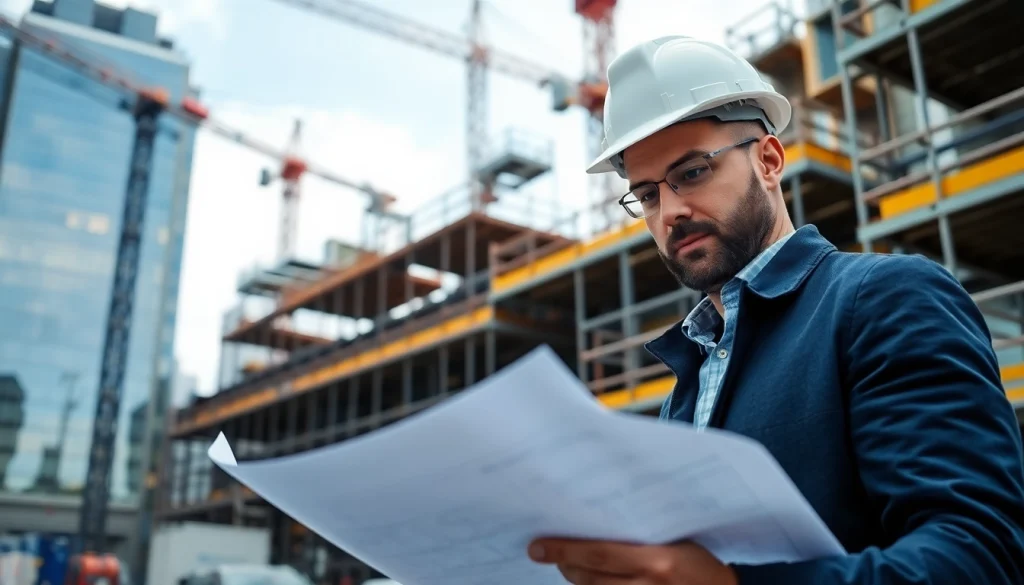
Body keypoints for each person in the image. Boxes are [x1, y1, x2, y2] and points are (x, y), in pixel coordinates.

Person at [525, 35, 1024, 585]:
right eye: (646, 195)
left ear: (768, 160)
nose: (669, 212)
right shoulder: (688, 389)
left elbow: (980, 557)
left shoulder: (884, 299)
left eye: (692, 172)